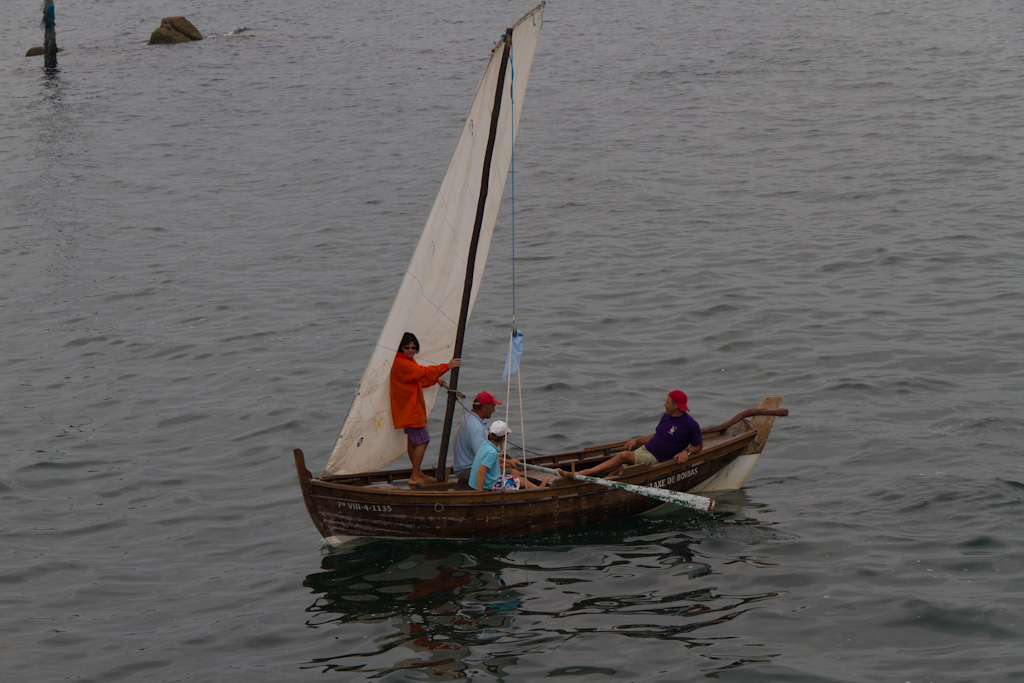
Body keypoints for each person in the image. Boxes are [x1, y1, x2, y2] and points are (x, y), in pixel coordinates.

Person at [576, 390, 703, 478]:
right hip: (644, 450)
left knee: (623, 456)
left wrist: (686, 452)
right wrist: (637, 440)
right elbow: (657, 435)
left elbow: (698, 445)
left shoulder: (690, 424)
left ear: (676, 406)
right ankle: (600, 484)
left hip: (656, 459)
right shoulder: (667, 416)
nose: (664, 404)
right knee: (617, 470)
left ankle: (587, 473)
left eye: (667, 402)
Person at [390, 331, 461, 486]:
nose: (411, 350)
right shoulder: (402, 363)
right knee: (423, 440)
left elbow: (418, 379)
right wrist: (447, 366)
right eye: (407, 347)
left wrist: (436, 380)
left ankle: (417, 471)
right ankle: (414, 475)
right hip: (411, 410)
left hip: (407, 409)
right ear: (400, 348)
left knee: (413, 442)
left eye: (413, 347)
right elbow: (422, 373)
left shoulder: (405, 361)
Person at [470, 421, 549, 491]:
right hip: (488, 485)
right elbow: (481, 472)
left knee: (515, 475)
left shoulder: (486, 444)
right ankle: (539, 489)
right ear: (504, 437)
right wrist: (479, 495)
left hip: (480, 481)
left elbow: (490, 458)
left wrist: (509, 461)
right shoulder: (492, 452)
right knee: (523, 480)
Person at [452, 391, 503, 483]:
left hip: (462, 468)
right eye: (493, 407)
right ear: (483, 407)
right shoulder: (476, 427)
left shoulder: (467, 417)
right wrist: (506, 463)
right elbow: (483, 456)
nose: (494, 410)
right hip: (468, 470)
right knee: (515, 473)